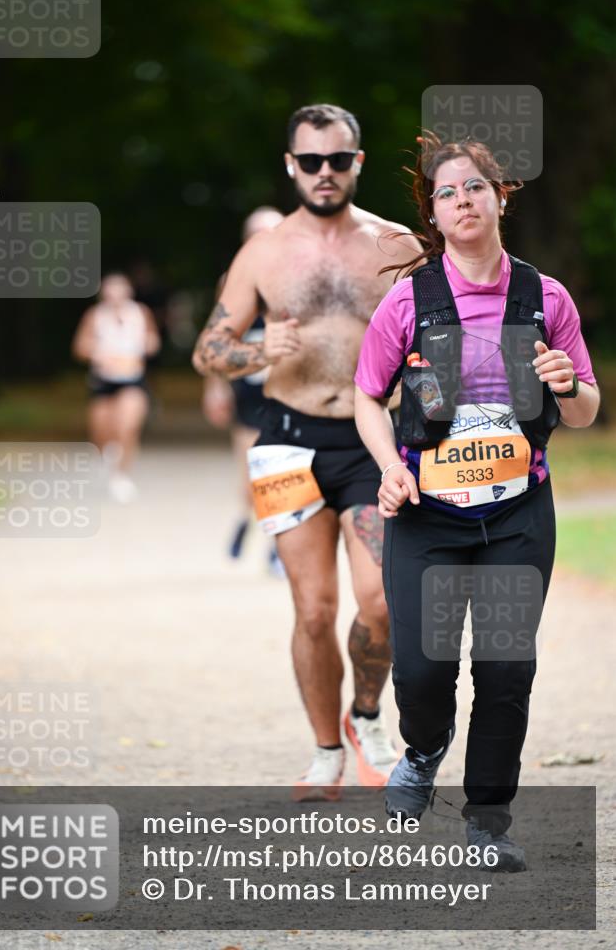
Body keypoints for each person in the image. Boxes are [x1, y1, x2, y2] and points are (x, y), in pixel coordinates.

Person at [354, 133, 599, 868]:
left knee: (504, 667)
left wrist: (566, 383)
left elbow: (586, 408)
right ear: (434, 212)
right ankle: (423, 750)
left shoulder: (544, 296)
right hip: (426, 513)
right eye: (446, 192)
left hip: (518, 511)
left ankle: (486, 823)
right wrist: (386, 471)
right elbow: (366, 398)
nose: (462, 200)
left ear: (500, 197)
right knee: (424, 669)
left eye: (473, 188)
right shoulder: (408, 301)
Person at [193, 104, 422, 798]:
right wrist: (260, 348)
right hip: (285, 444)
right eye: (311, 161)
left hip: (369, 438)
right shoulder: (263, 252)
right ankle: (326, 752)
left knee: (380, 602)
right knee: (314, 610)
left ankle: (366, 717)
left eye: (338, 160)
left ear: (358, 163)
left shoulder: (397, 245)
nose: (325, 173)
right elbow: (208, 350)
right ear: (291, 166)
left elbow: (437, 341)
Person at [201, 207, 286, 575]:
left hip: (286, 389)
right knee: (251, 474)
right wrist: (214, 388)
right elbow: (215, 340)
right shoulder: (231, 281)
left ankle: (277, 546)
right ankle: (244, 518)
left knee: (282, 471)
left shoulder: (297, 277)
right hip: (247, 390)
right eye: (256, 233)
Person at [72, 272, 161, 503]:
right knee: (101, 430)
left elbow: (153, 341)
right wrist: (97, 354)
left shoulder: (140, 313)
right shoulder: (95, 316)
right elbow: (80, 346)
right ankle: (106, 457)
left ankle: (121, 475)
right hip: (103, 380)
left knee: (128, 426)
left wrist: (146, 346)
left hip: (131, 379)